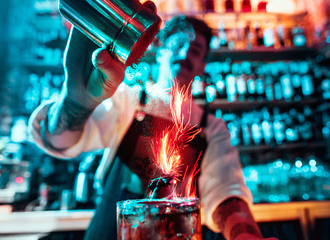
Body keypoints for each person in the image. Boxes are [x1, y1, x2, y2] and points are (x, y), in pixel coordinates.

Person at [29, 2, 277, 240]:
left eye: (196, 51)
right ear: (160, 51)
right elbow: (61, 140)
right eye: (179, 44)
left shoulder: (211, 128)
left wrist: (245, 235)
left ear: (202, 66)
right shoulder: (128, 100)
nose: (185, 53)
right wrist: (75, 103)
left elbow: (226, 194)